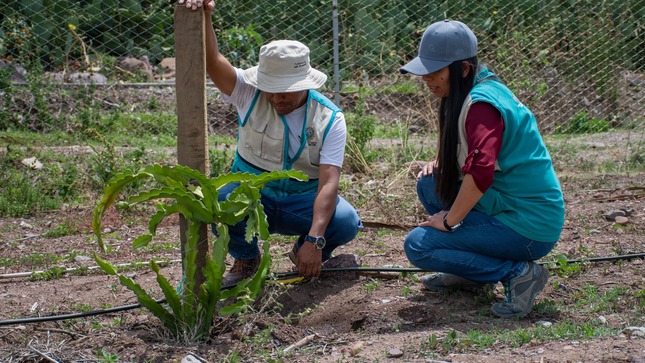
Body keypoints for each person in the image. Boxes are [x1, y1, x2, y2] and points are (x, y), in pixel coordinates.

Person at [180, 0, 362, 285]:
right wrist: (205, 15)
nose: (277, 98)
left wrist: (315, 240)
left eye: (285, 92)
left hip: (301, 200)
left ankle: (304, 251)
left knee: (345, 221)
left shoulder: (330, 118)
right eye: (271, 90)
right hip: (253, 194)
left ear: (305, 84)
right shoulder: (248, 93)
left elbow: (328, 183)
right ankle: (246, 258)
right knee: (220, 202)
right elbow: (214, 62)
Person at [400, 20, 565, 318]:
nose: (426, 78)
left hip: (529, 225)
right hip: (508, 206)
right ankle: (472, 274)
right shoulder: (472, 89)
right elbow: (471, 152)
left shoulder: (482, 105)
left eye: (435, 71)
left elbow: (481, 172)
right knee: (429, 183)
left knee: (419, 247)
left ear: (462, 69)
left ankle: (519, 273)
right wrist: (443, 162)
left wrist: (449, 222)